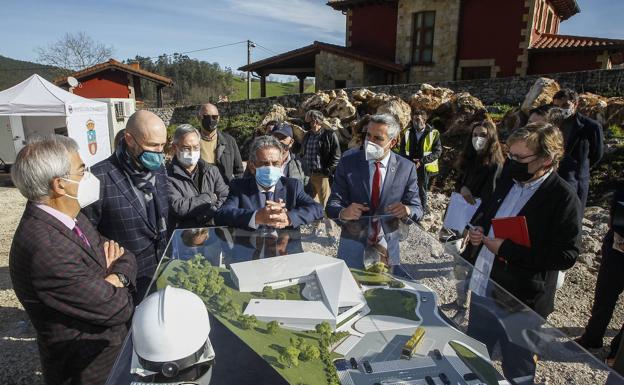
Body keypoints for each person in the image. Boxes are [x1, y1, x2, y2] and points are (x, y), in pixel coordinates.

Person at [10, 135, 136, 385]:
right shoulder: (45, 247)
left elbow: (125, 255)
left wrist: (114, 277)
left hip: (110, 355)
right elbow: (116, 309)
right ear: (59, 185)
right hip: (87, 372)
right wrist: (114, 278)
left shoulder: (71, 217)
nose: (89, 176)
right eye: (82, 170)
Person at [464, 122, 582, 383]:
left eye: (520, 158)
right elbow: (489, 211)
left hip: (521, 301)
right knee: (474, 354)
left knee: (518, 367)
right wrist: (479, 227)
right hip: (486, 286)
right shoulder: (510, 177)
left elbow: (567, 255)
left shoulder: (563, 198)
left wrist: (506, 249)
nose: (512, 162)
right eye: (510, 155)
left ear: (547, 159)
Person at [83, 110, 169, 301]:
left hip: (162, 268)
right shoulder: (99, 177)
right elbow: (85, 231)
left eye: (163, 145)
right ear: (129, 139)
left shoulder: (160, 170)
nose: (159, 153)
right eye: (153, 145)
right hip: (126, 279)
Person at [215, 135, 323, 230]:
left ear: (281, 164)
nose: (270, 168)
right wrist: (256, 217)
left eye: (275, 163)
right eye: (264, 164)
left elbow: (317, 209)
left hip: (287, 249)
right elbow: (222, 215)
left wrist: (288, 217)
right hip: (251, 249)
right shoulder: (239, 187)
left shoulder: (293, 186)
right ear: (252, 167)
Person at [576, 180, 624, 362]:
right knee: (604, 294)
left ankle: (618, 351)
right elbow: (618, 202)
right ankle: (592, 337)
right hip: (616, 246)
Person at [167, 124, 229, 229]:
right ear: (175, 147)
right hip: (183, 236)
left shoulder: (211, 170)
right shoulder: (167, 175)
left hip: (213, 234)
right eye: (186, 148)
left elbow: (225, 196)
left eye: (196, 147)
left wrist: (203, 216)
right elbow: (179, 207)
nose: (192, 152)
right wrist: (210, 198)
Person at [552, 88, 604, 210]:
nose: (561, 109)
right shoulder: (551, 124)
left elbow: (596, 155)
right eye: (556, 106)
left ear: (575, 104)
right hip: (552, 179)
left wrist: (577, 167)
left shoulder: (591, 127)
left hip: (576, 181)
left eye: (565, 105)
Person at [300, 109, 341, 234]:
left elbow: (336, 155)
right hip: (309, 174)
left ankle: (330, 232)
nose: (312, 124)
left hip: (322, 174)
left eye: (314, 121)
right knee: (314, 204)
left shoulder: (329, 134)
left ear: (319, 121)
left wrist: (328, 170)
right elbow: (303, 153)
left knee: (326, 204)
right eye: (310, 121)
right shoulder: (307, 135)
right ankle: (315, 229)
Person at [397, 108, 442, 213]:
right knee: (408, 186)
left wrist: (421, 161)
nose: (416, 122)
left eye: (418, 120)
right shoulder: (408, 132)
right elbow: (402, 150)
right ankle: (409, 207)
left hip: (425, 166)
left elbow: (437, 151)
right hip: (410, 165)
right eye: (414, 120)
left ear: (424, 120)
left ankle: (422, 209)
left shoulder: (434, 133)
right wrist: (409, 162)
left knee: (421, 188)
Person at [454, 120, 505, 205]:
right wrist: (462, 188)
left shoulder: (495, 165)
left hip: (476, 211)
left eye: (483, 135)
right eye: (475, 135)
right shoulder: (468, 158)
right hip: (459, 207)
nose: (478, 138)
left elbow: (489, 197)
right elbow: (459, 181)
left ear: (491, 138)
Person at [197, 103, 244, 184]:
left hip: (226, 190)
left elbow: (239, 171)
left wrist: (236, 190)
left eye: (214, 117)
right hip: (200, 191)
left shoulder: (229, 141)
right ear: (198, 118)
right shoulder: (191, 141)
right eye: (206, 116)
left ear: (218, 118)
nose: (211, 120)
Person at [270, 122, 308, 187]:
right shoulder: (260, 162)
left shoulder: (300, 164)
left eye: (283, 138)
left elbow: (308, 188)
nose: (278, 141)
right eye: (275, 138)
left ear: (291, 142)